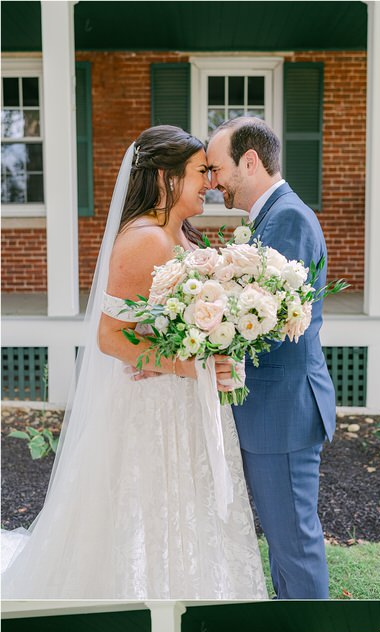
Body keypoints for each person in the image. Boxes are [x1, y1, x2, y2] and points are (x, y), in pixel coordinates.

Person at [2, 126, 266, 602]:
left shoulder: (176, 233)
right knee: (152, 508)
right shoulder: (144, 239)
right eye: (200, 172)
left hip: (182, 400)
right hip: (154, 406)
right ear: (166, 179)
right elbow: (109, 336)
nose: (209, 181)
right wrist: (187, 367)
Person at [207, 117, 335, 600]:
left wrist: (207, 344)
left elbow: (273, 325)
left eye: (217, 168)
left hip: (283, 413)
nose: (213, 181)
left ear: (250, 161)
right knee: (284, 546)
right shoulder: (270, 216)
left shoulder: (287, 218)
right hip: (273, 410)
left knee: (294, 545)